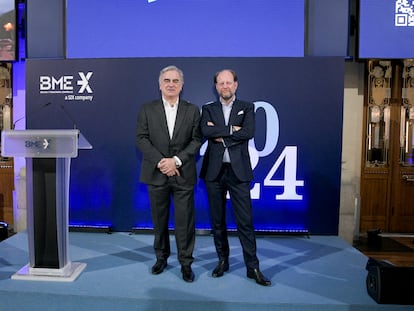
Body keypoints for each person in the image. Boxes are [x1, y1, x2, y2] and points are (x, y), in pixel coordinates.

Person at [200, 69, 271, 286]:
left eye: (228, 82)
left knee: (245, 221)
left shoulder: (247, 107)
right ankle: (223, 261)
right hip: (214, 172)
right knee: (217, 221)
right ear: (216, 87)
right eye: (221, 83)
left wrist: (222, 134)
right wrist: (233, 130)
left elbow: (248, 132)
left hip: (239, 172)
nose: (225, 87)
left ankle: (253, 267)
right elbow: (206, 131)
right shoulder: (208, 109)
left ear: (236, 85)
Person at [136, 65, 202, 283]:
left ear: (182, 85)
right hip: (156, 174)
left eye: (175, 81)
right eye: (167, 80)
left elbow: (196, 140)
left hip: (183, 173)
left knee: (184, 222)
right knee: (159, 220)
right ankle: (161, 258)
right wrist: (162, 162)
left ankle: (186, 263)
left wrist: (176, 161)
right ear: (160, 84)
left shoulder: (192, 110)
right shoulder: (147, 109)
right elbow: (141, 139)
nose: (171, 84)